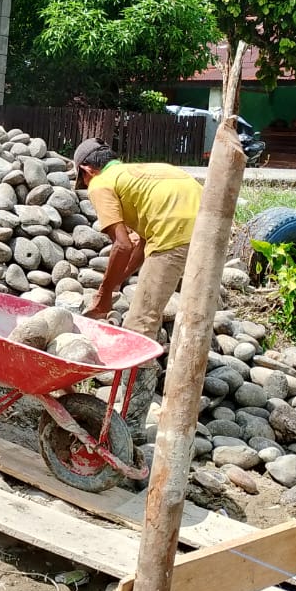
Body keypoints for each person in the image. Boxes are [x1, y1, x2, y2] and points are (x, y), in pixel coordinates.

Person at [72, 137, 202, 439]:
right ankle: (184, 413)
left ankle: (129, 429)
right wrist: (118, 282)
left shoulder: (100, 183)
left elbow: (121, 244)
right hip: (211, 231)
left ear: (88, 169)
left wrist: (103, 299)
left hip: (174, 238)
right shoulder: (148, 172)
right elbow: (141, 244)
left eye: (82, 178)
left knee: (138, 329)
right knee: (193, 321)